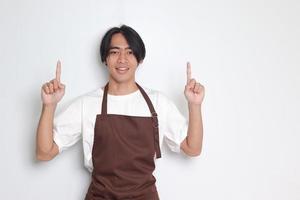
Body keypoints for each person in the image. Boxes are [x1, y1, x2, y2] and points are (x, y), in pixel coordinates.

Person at [36, 25, 205, 200]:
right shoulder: (87, 104)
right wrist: (49, 106)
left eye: (130, 52)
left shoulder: (157, 103)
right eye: (115, 52)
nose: (122, 59)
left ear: (140, 59)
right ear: (105, 58)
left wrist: (194, 105)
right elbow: (44, 152)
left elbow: (192, 148)